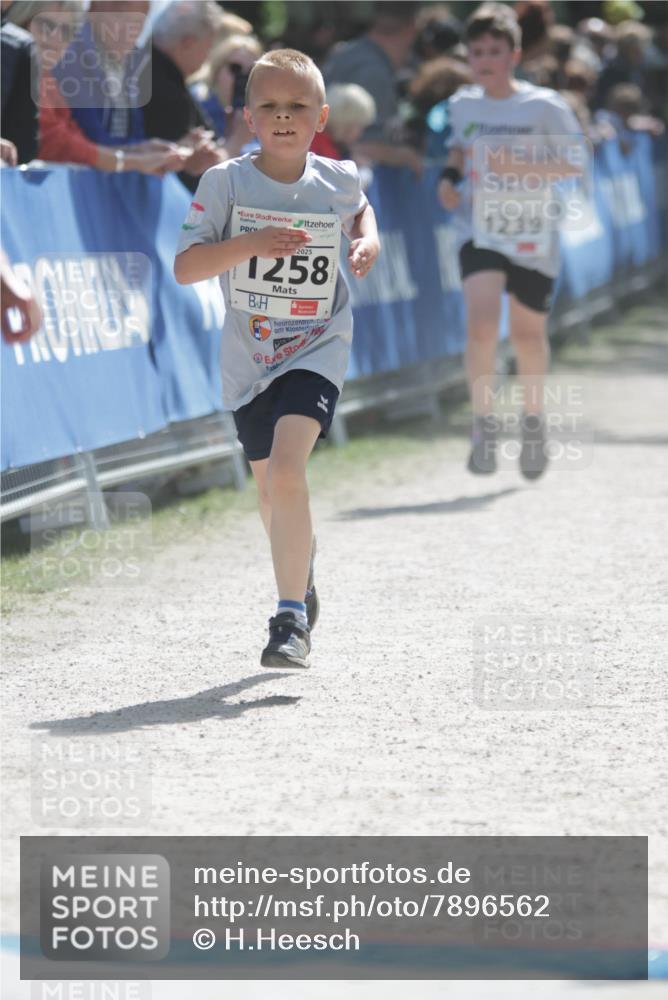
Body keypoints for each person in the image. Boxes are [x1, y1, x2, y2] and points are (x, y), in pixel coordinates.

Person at [174, 48, 380, 668]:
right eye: (269, 106)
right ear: (248, 116)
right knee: (270, 494)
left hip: (318, 345)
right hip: (249, 363)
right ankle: (303, 572)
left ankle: (289, 620)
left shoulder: (337, 178)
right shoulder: (225, 183)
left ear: (320, 117)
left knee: (289, 470)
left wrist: (366, 240)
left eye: (297, 107)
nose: (283, 117)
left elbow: (362, 210)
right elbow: (186, 268)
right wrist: (252, 244)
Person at [437, 3, 584, 480]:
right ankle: (483, 424)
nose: (483, 60)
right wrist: (450, 177)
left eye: (494, 51)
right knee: (481, 325)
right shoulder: (462, 104)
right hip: (479, 230)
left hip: (533, 231)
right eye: (476, 51)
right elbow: (459, 147)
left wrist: (522, 169)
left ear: (514, 54)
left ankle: (534, 421)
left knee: (526, 334)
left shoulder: (544, 106)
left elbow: (575, 164)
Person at [323, 1, 423, 176]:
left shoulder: (348, 53)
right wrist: (405, 156)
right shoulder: (373, 71)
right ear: (413, 27)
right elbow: (361, 145)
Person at [310, 83, 376, 160]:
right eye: (359, 125)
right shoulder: (322, 150)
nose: (360, 133)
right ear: (346, 123)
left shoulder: (313, 137)